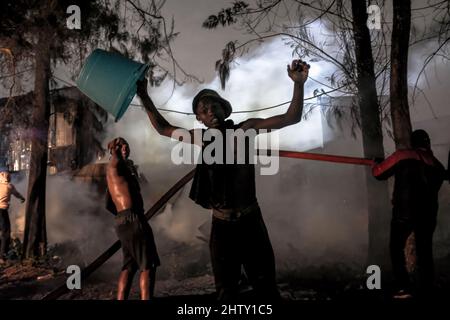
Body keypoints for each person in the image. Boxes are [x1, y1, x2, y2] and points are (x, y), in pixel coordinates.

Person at [136, 60, 309, 301]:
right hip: (222, 226)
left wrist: (298, 84)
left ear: (223, 109)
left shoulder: (246, 129)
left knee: (266, 290)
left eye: (213, 106)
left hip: (251, 223)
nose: (210, 112)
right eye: (204, 111)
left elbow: (291, 117)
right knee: (226, 293)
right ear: (200, 119)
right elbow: (163, 128)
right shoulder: (201, 138)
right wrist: (143, 94)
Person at [372, 129, 447, 298]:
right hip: (428, 215)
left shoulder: (402, 155)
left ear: (413, 142)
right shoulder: (437, 164)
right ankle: (427, 287)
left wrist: (375, 164)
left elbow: (378, 173)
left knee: (396, 249)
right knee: (425, 251)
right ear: (427, 144)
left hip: (403, 213)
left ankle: (404, 287)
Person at [105, 137, 160, 300]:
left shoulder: (118, 171)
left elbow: (108, 204)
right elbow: (116, 159)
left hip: (123, 220)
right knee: (148, 266)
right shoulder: (115, 165)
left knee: (129, 266)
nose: (125, 149)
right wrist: (114, 148)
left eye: (127, 146)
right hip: (133, 219)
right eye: (121, 147)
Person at [0, 170, 25, 264]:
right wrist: (22, 198)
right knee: (6, 233)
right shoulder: (9, 186)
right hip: (2, 211)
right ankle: (2, 256)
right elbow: (17, 194)